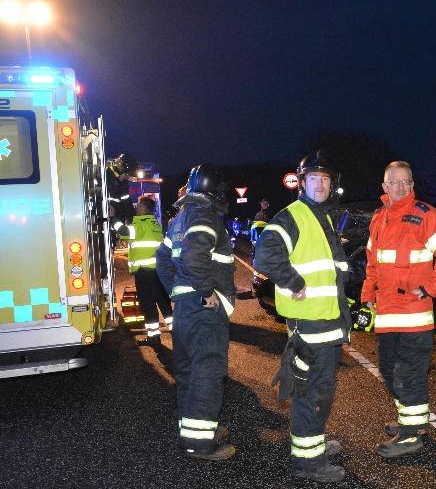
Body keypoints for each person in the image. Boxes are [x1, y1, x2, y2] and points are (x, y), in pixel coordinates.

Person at [254, 151, 350, 483]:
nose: (321, 184)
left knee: (321, 390)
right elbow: (265, 255)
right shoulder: (293, 215)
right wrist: (293, 281)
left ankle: (314, 444)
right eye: (314, 179)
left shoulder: (321, 216)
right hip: (310, 326)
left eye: (326, 179)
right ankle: (309, 463)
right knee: (311, 392)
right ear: (302, 183)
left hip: (326, 323)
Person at [360, 160, 436, 458]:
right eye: (394, 182)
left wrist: (432, 287)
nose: (400, 187)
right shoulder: (378, 218)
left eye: (406, 182)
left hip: (415, 316)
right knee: (389, 373)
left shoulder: (426, 215)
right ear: (384, 186)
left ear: (412, 185)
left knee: (408, 376)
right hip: (387, 314)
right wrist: (367, 292)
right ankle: (410, 422)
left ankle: (410, 435)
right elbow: (372, 262)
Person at [155, 164, 236, 461]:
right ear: (214, 189)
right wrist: (206, 291)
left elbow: (162, 259)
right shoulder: (205, 214)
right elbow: (194, 255)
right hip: (204, 312)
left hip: (187, 310)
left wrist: (176, 291)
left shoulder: (180, 219)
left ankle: (193, 431)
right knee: (208, 372)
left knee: (189, 372)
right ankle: (199, 444)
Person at [112, 196, 172, 345]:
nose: (136, 207)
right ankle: (176, 329)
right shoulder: (154, 223)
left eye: (138, 206)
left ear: (143, 208)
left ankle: (153, 337)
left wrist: (113, 217)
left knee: (148, 304)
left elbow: (123, 230)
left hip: (144, 272)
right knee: (163, 301)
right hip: (156, 271)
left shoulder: (140, 225)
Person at [106, 153, 137, 224]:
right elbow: (108, 190)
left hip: (120, 215)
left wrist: (131, 216)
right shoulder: (107, 172)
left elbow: (126, 198)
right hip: (110, 212)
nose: (127, 174)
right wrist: (118, 180)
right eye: (126, 172)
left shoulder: (122, 178)